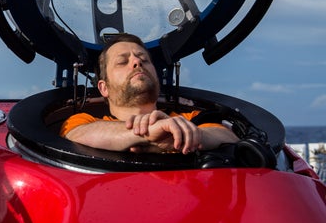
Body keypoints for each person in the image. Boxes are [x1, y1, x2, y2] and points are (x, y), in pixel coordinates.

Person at [61, 33, 238, 154]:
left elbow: (228, 136)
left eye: (144, 59)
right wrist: (148, 133)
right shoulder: (82, 121)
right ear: (103, 88)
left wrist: (183, 135)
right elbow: (77, 134)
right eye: (123, 62)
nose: (137, 61)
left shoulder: (190, 118)